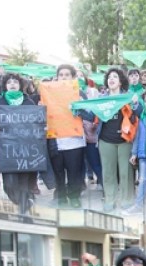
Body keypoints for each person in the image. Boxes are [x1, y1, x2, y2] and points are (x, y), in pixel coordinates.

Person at [0, 72, 35, 214]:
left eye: (15, 82)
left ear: (20, 85)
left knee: (23, 182)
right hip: (5, 149)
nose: (12, 84)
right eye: (9, 82)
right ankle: (24, 202)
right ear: (4, 85)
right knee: (9, 184)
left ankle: (24, 211)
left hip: (25, 149)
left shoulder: (28, 102)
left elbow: (37, 121)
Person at [96, 67, 140, 213]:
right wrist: (78, 108)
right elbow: (92, 115)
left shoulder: (128, 96)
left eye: (115, 77)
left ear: (120, 82)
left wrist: (135, 104)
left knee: (126, 172)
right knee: (108, 172)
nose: (111, 79)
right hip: (105, 140)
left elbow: (140, 113)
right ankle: (110, 199)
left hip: (124, 141)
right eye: (109, 77)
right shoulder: (101, 99)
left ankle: (127, 200)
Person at [49, 64, 92, 209]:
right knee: (58, 172)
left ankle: (74, 197)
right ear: (57, 77)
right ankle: (61, 196)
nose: (63, 77)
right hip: (55, 139)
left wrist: (78, 110)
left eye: (67, 75)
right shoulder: (49, 93)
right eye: (61, 75)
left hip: (74, 141)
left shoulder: (79, 94)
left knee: (74, 172)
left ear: (73, 77)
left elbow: (89, 115)